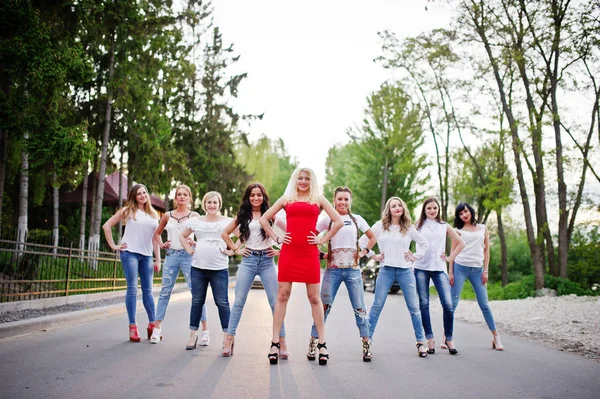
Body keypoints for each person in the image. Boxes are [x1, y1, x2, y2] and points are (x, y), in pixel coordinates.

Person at [259, 167, 343, 365]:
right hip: (289, 252)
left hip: (309, 253)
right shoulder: (286, 198)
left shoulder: (318, 199)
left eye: (307, 178)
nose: (303, 181)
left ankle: (322, 344)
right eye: (300, 178)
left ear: (311, 181)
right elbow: (264, 219)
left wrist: (323, 239)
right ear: (295, 180)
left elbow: (338, 221)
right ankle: (274, 343)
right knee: (282, 295)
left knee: (314, 298)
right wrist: (277, 237)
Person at [307, 186, 377, 362]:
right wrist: (321, 254)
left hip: (353, 271)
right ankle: (314, 342)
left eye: (346, 199)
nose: (343, 202)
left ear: (350, 201)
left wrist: (362, 253)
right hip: (333, 270)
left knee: (359, 307)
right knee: (324, 307)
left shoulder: (357, 220)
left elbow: (372, 237)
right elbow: (311, 238)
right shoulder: (327, 220)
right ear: (334, 200)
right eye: (340, 199)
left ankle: (366, 344)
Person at [220, 183, 287, 357]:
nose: (256, 198)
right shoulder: (243, 215)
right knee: (239, 300)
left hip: (267, 260)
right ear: (248, 197)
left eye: (259, 195)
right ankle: (229, 339)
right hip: (248, 260)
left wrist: (280, 250)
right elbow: (225, 234)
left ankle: (282, 342)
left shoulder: (272, 214)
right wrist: (236, 250)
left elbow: (290, 232)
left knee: (275, 302)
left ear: (264, 197)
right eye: (252, 195)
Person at [365, 196, 430, 358]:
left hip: (405, 271)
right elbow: (363, 241)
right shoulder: (380, 226)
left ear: (403, 209)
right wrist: (373, 255)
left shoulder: (408, 227)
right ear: (389, 209)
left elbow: (424, 244)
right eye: (393, 206)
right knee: (377, 305)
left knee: (414, 307)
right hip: (386, 270)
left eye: (399, 205)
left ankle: (421, 343)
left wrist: (415, 256)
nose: (397, 208)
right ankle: (367, 342)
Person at [151, 184, 210, 345]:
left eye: (185, 194)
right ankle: (157, 329)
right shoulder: (167, 216)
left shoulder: (195, 216)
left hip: (189, 257)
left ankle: (205, 331)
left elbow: (203, 236)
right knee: (165, 291)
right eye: (179, 194)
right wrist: (162, 244)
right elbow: (156, 234)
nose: (182, 197)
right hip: (171, 256)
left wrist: (195, 243)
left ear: (189, 198)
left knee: (197, 294)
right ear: (175, 198)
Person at [102, 183, 161, 342]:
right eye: (139, 193)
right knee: (133, 289)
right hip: (130, 254)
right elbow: (106, 226)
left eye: (145, 192)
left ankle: (152, 326)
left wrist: (158, 259)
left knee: (148, 291)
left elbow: (156, 238)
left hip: (147, 256)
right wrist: (114, 246)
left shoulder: (154, 214)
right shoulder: (127, 211)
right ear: (134, 197)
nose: (143, 195)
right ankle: (133, 327)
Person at [180, 191, 232, 351]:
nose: (212, 205)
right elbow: (182, 236)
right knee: (197, 301)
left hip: (219, 269)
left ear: (219, 204)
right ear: (204, 204)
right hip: (198, 268)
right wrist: (189, 250)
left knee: (222, 303)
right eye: (209, 202)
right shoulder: (196, 221)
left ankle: (227, 338)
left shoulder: (227, 222)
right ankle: (192, 335)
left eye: (215, 202)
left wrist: (233, 250)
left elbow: (242, 236)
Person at [414, 197, 464, 355]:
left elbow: (461, 243)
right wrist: (411, 255)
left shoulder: (444, 226)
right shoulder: (418, 225)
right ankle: (430, 339)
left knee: (448, 304)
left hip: (438, 268)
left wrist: (450, 258)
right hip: (421, 268)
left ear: (438, 209)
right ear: (424, 210)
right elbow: (405, 238)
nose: (432, 211)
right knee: (423, 303)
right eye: (429, 208)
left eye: (435, 208)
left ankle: (449, 338)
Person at [450, 202, 504, 350]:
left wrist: (486, 271)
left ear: (471, 211)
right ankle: (446, 337)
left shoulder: (483, 228)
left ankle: (496, 337)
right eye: (461, 214)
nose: (464, 215)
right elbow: (452, 253)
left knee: (484, 304)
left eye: (466, 211)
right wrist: (451, 273)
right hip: (460, 268)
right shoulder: (457, 230)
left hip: (477, 270)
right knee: (453, 304)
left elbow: (486, 251)